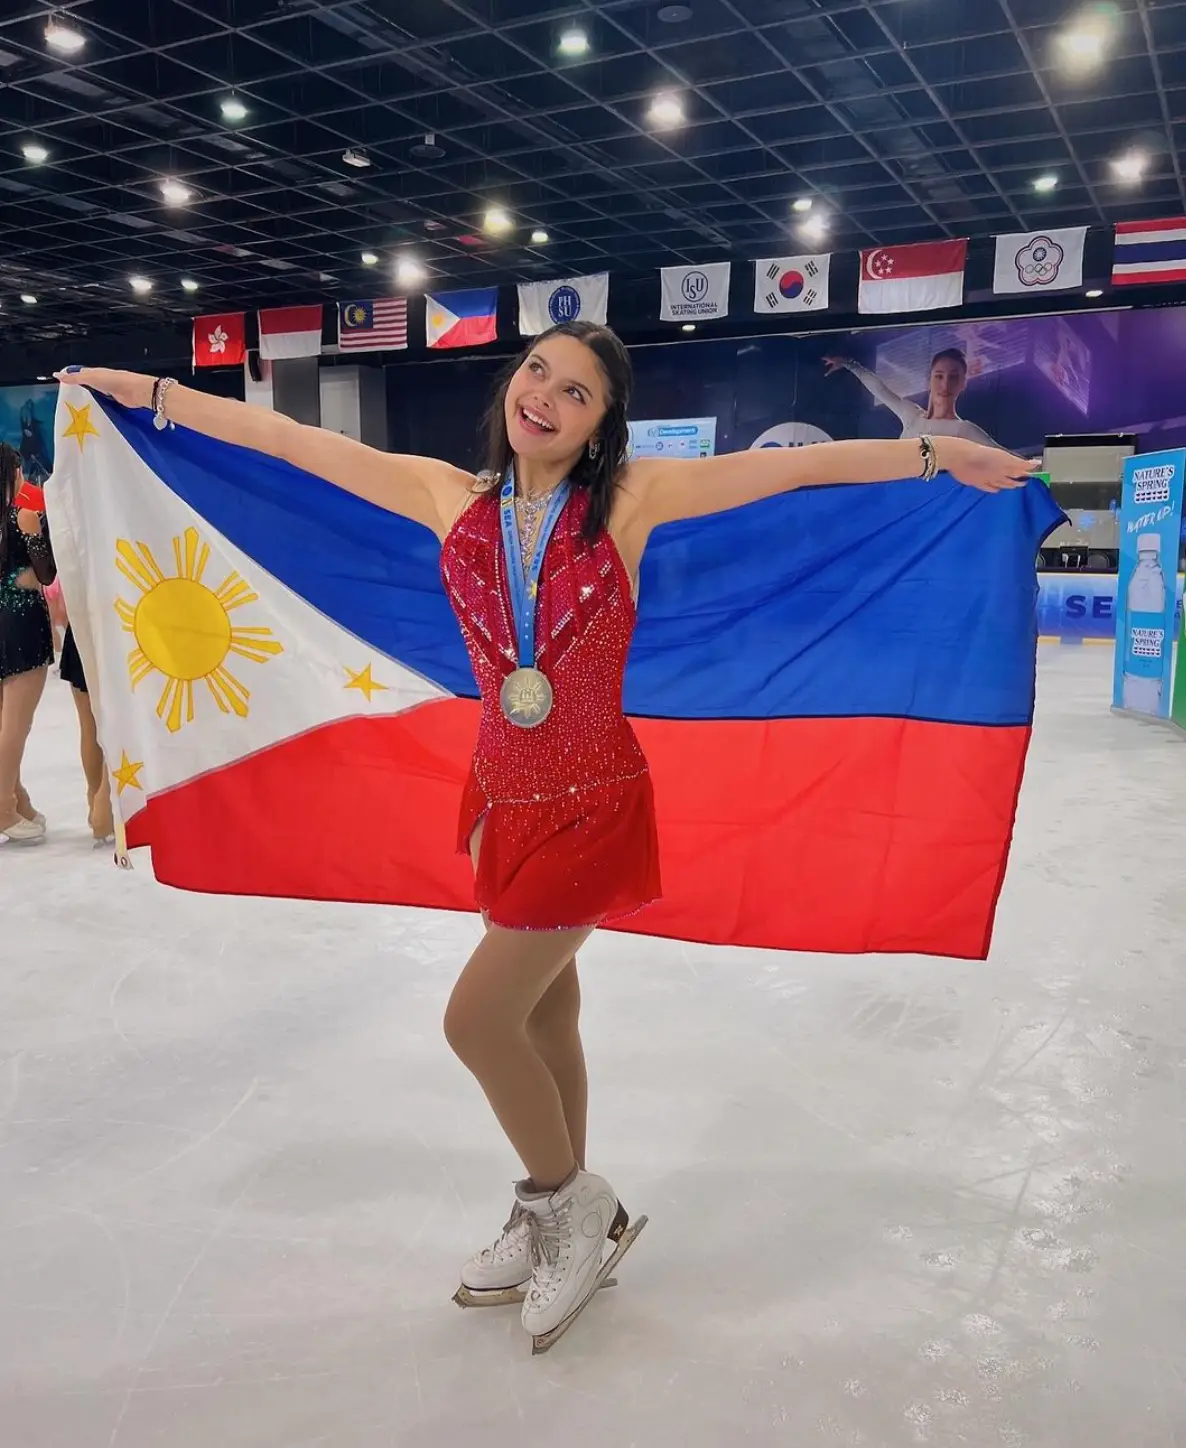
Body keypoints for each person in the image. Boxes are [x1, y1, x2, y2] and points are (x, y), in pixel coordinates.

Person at [58, 324, 1031, 1350]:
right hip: (501, 800)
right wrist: (146, 390)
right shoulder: (448, 495)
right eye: (537, 372)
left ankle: (564, 1197)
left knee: (476, 1021)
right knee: (545, 1012)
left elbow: (799, 472)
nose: (546, 398)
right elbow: (288, 440)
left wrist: (934, 451)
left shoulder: (629, 500)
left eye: (576, 391)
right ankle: (569, 1213)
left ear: (603, 421)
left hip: (593, 798)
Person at [0, 441, 55, 843]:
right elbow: (48, 574)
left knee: (8, 720)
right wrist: (35, 535)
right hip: (19, 622)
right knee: (16, 724)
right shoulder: (23, 517)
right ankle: (3, 807)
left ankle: (17, 799)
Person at [823, 346, 999, 446]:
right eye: (939, 376)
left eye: (954, 377)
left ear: (963, 383)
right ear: (928, 381)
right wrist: (849, 364)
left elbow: (1007, 457)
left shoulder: (964, 430)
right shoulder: (911, 414)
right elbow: (881, 390)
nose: (945, 385)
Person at [59, 623, 115, 845]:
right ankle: (104, 804)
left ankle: (96, 801)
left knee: (89, 724)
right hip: (113, 630)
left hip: (81, 628)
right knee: (113, 722)